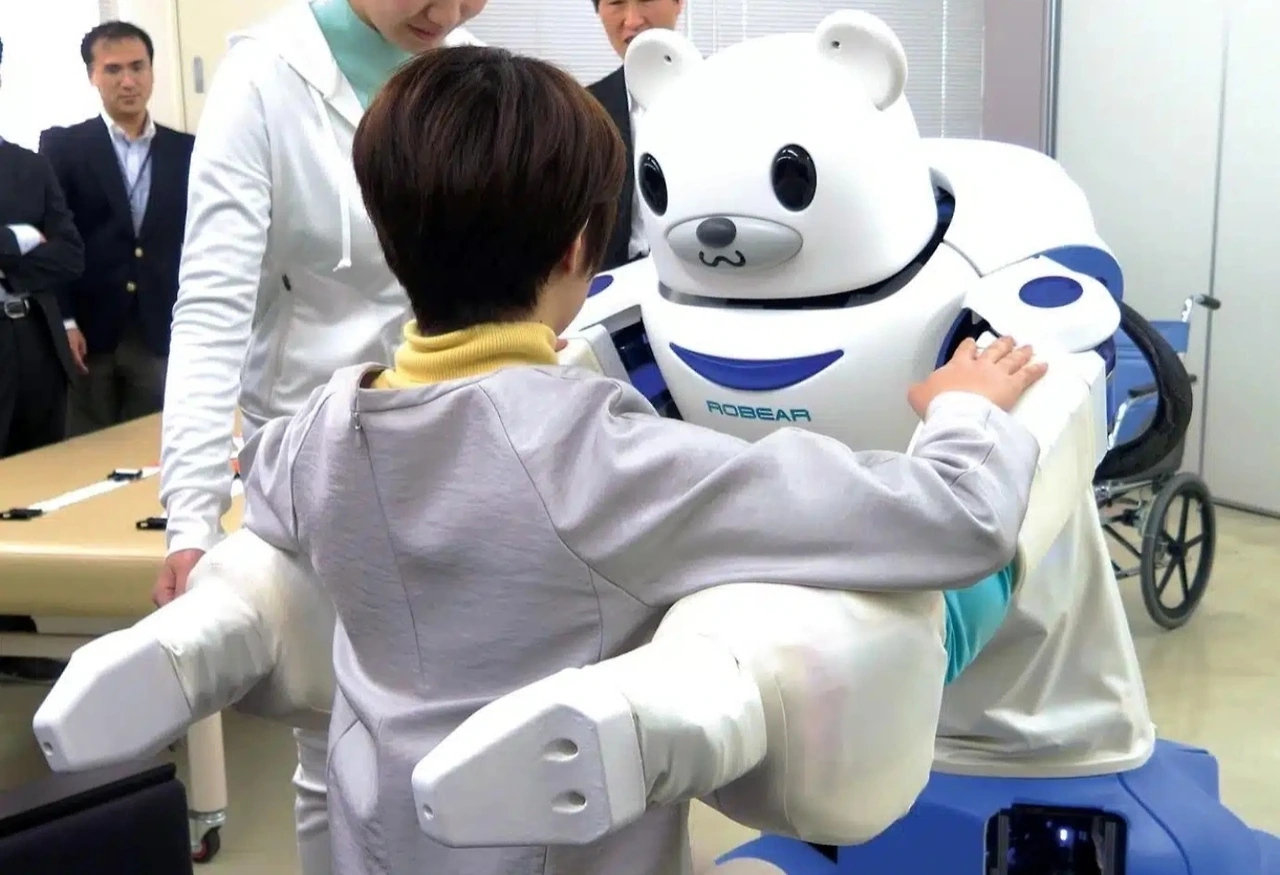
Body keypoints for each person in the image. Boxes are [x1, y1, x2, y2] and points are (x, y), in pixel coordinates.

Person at [239, 44, 1047, 875]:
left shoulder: (313, 439)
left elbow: (260, 476)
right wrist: (967, 408)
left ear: (389, 234)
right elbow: (960, 515)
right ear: (578, 249)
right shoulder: (597, 459)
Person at [153, 1, 484, 872]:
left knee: (458, 736)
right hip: (314, 460)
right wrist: (191, 516)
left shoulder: (471, 68)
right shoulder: (264, 79)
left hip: (453, 447)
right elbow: (213, 308)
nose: (449, 12)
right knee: (330, 738)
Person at [40, 21, 195, 436]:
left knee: (155, 443)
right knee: (86, 447)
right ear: (92, 75)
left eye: (137, 67)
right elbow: (52, 241)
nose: (128, 81)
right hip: (89, 330)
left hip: (159, 325)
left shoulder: (186, 150)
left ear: (152, 71)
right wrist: (64, 321)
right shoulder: (64, 147)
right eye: (113, 69)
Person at [0, 33, 86, 683]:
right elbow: (39, 248)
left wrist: (13, 259)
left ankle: (21, 630)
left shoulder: (27, 166)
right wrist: (17, 239)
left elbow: (70, 255)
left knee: (33, 491)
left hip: (34, 345)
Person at [587, 0, 682, 271]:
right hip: (612, 284)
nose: (632, 21)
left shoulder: (722, 95)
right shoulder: (582, 110)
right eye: (616, 3)